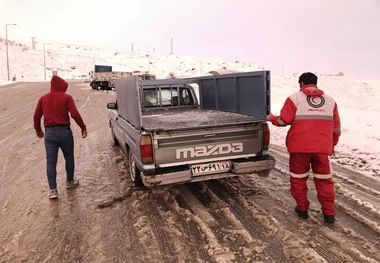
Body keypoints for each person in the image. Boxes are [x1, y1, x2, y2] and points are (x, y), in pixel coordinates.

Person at [266, 72, 341, 223]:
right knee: (325, 180)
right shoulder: (330, 101)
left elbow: (283, 120)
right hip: (322, 149)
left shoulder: (295, 98)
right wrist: (331, 145)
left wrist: (271, 118)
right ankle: (329, 214)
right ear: (315, 83)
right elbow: (336, 128)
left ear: (301, 83)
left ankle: (302, 209)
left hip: (299, 149)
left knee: (299, 179)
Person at [33, 75, 87, 199]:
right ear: (61, 86)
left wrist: (38, 130)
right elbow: (74, 114)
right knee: (69, 158)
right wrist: (82, 127)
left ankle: (53, 190)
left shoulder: (43, 98)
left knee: (51, 162)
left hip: (50, 133)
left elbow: (36, 116)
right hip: (65, 133)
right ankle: (69, 182)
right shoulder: (67, 98)